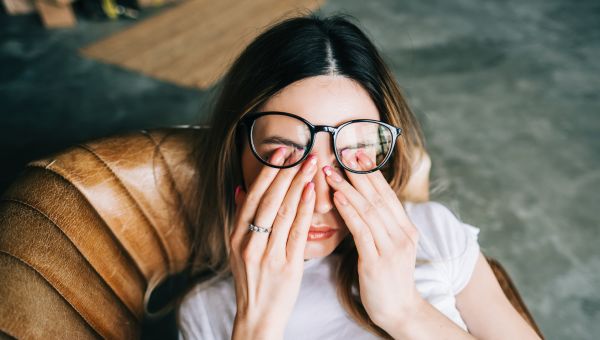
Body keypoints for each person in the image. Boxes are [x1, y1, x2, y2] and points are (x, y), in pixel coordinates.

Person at [177, 13, 541, 340]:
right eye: (284, 155)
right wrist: (257, 327)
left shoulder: (433, 235)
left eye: (353, 154)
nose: (320, 201)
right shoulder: (206, 313)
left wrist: (405, 311)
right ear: (236, 154)